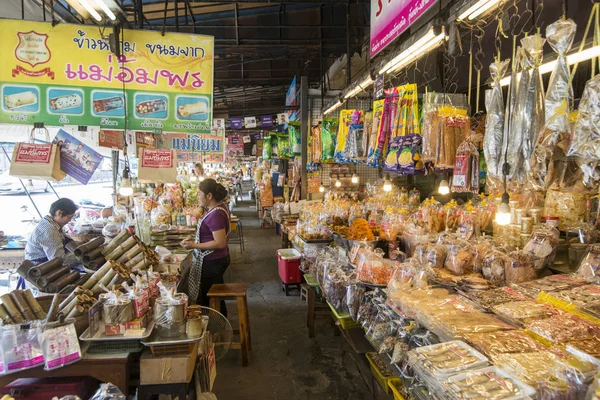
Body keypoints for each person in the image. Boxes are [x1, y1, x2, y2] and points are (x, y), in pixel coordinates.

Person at [181, 179, 230, 315]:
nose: (198, 196)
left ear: (209, 196)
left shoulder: (216, 214)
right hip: (215, 259)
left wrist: (193, 245)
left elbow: (220, 242)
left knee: (210, 299)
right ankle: (217, 327)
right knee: (213, 297)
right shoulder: (219, 208)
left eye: (199, 194)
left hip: (212, 261)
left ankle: (217, 329)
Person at [25, 198, 78, 264]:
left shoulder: (51, 221)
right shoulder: (49, 230)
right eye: (69, 217)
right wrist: (80, 257)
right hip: (39, 266)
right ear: (59, 213)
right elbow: (58, 259)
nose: (70, 220)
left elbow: (64, 239)